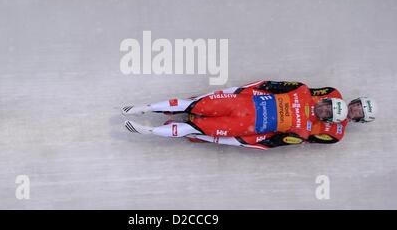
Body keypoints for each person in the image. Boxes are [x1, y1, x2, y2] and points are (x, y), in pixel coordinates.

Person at [122, 81, 351, 149]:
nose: (324, 110)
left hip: (242, 126)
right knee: (192, 105)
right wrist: (242, 91)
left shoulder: (302, 132)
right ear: (325, 99)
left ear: (328, 119)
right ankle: (146, 108)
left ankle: (150, 131)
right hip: (241, 103)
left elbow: (271, 142)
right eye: (327, 105)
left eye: (328, 113)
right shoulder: (301, 90)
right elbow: (270, 84)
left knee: (195, 128)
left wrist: (242, 141)